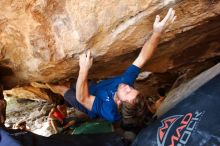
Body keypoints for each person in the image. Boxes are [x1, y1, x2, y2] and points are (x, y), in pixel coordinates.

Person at [47, 8, 176, 123]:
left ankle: (47, 85)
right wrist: (157, 33)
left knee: (62, 89)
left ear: (119, 102)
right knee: (69, 83)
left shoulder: (109, 111)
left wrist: (84, 69)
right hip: (96, 88)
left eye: (127, 92)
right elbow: (142, 58)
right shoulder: (127, 84)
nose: (128, 87)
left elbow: (82, 97)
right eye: (132, 89)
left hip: (87, 103)